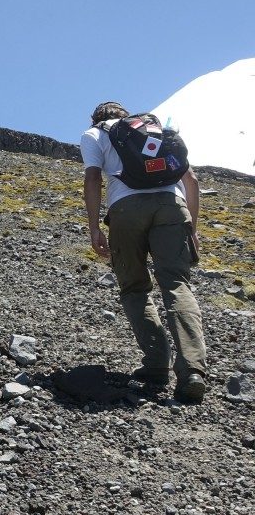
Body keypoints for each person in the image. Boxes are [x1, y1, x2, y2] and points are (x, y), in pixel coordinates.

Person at [80, 101, 207, 403]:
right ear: (127, 117)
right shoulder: (156, 132)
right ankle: (192, 371)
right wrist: (192, 225)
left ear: (96, 118)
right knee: (176, 283)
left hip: (126, 210)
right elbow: (192, 180)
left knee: (135, 287)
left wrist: (95, 227)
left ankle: (155, 366)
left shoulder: (95, 134)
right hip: (172, 207)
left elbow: (93, 178)